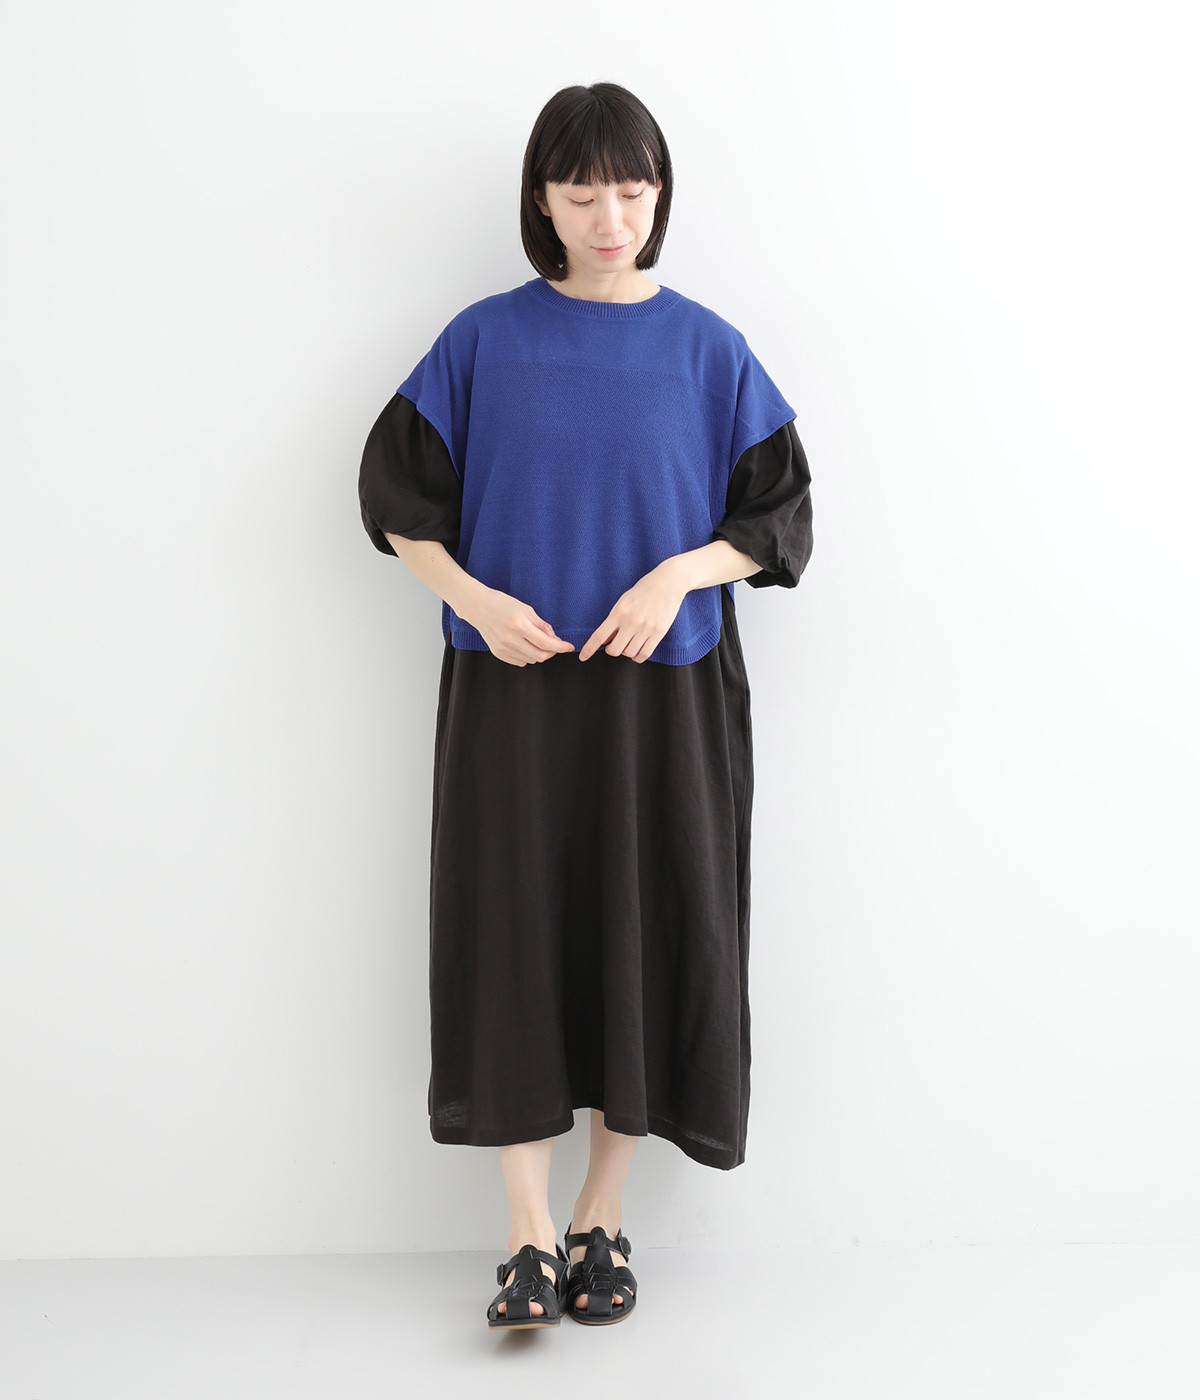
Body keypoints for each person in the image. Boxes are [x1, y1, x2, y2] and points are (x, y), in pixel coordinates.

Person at [357, 81, 813, 1329]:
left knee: (648, 931)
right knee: (512, 928)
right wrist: (475, 597)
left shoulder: (710, 350)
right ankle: (523, 1229)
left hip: (663, 699)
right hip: (513, 694)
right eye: (582, 192)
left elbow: (778, 515)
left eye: (633, 189)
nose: (612, 218)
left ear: (659, 195)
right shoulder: (482, 342)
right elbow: (395, 500)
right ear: (542, 202)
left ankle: (601, 1214)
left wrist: (678, 573)